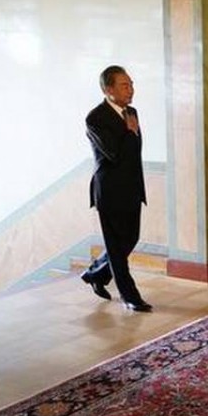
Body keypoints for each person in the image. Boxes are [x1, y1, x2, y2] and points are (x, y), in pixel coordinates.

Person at [81, 65, 152, 312]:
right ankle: (129, 295)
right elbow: (113, 154)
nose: (131, 90)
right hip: (109, 191)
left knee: (130, 238)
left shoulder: (132, 112)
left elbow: (135, 153)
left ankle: (96, 273)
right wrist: (130, 133)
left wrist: (131, 133)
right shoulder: (95, 118)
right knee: (115, 247)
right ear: (107, 89)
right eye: (125, 85)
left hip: (132, 187)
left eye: (132, 84)